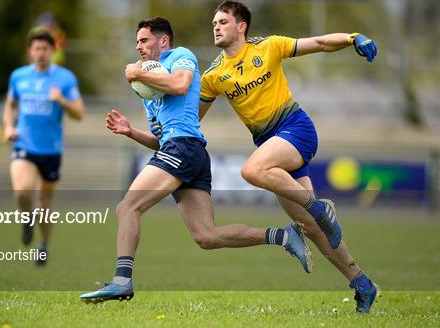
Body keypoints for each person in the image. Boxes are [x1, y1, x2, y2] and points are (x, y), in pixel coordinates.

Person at [79, 17, 313, 304]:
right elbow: (158, 139)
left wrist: (136, 74)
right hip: (184, 151)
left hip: (184, 148)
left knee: (127, 207)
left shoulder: (180, 56)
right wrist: (130, 131)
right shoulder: (146, 88)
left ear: (163, 40)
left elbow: (179, 85)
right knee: (206, 236)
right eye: (137, 42)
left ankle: (121, 281)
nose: (138, 47)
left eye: (144, 40)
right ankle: (284, 236)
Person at [198, 1, 380, 313]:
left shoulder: (269, 46)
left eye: (223, 21)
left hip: (296, 130)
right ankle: (361, 282)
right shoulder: (213, 75)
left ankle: (321, 210)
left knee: (252, 170)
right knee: (311, 227)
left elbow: (321, 43)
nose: (216, 26)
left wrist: (353, 38)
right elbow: (191, 119)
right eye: (214, 22)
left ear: (241, 26)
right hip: (272, 146)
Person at [3, 29, 85, 266]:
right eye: (36, 48)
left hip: (51, 150)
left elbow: (79, 113)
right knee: (22, 191)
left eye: (45, 49)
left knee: (45, 204)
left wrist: (61, 100)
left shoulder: (65, 79)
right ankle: (27, 219)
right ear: (30, 51)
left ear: (53, 51)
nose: (40, 53)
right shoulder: (18, 76)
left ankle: (44, 245)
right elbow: (10, 105)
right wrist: (8, 127)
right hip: (24, 144)